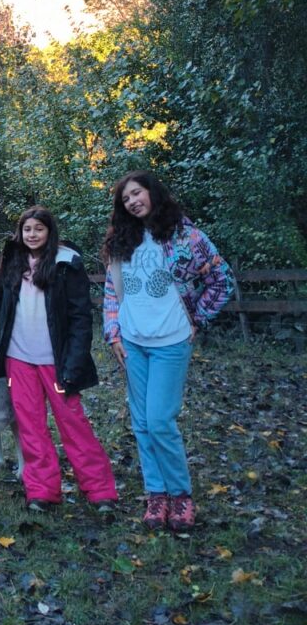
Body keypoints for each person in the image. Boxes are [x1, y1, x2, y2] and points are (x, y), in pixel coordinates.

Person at [0, 206, 118, 513]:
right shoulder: (14, 264)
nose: (32, 235)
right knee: (31, 428)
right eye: (27, 229)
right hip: (20, 361)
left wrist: (75, 363)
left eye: (38, 229)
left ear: (49, 231)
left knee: (74, 424)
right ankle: (42, 490)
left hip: (57, 362)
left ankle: (100, 492)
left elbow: (81, 319)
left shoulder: (67, 263)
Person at [102, 170, 233, 532]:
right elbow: (112, 292)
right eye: (125, 198)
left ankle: (181, 495)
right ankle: (156, 494)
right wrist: (113, 332)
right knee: (142, 423)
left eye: (137, 193)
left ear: (152, 193)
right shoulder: (120, 240)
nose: (132, 201)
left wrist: (198, 317)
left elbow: (222, 279)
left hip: (171, 342)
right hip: (132, 342)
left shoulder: (186, 236)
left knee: (160, 420)